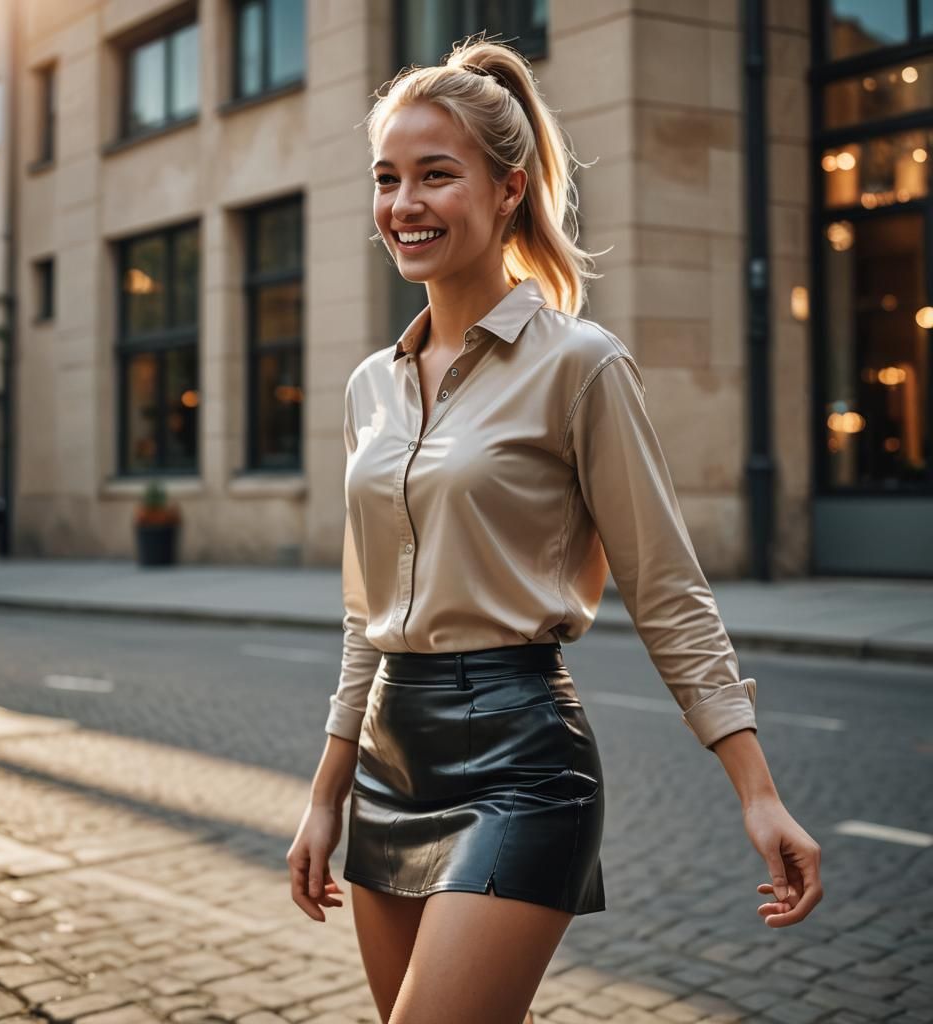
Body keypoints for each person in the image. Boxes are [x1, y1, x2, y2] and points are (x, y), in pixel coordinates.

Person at [287, 35, 823, 1024]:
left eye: (435, 175)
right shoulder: (370, 386)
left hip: (521, 762)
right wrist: (325, 795)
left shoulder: (580, 364)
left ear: (507, 191)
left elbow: (666, 588)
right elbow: (367, 615)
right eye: (387, 178)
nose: (403, 203)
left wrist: (757, 790)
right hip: (388, 761)